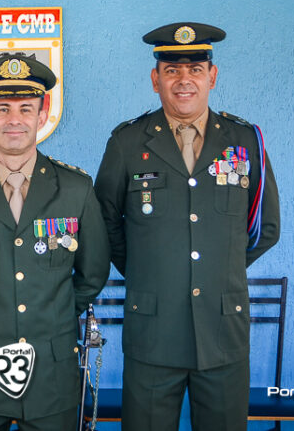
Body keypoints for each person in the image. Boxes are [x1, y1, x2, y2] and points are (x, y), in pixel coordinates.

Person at [94, 23, 280, 431]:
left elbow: (265, 227)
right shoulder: (127, 142)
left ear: (212, 76)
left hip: (222, 328)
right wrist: (147, 271)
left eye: (195, 69)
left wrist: (218, 269)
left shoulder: (246, 140)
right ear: (155, 79)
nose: (184, 80)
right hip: (153, 328)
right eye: (172, 70)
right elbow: (104, 222)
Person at [0, 53, 110, 431]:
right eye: (3, 109)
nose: (14, 119)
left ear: (42, 116)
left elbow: (93, 272)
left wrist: (51, 313)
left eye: (25, 108)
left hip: (52, 366)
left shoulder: (76, 189)